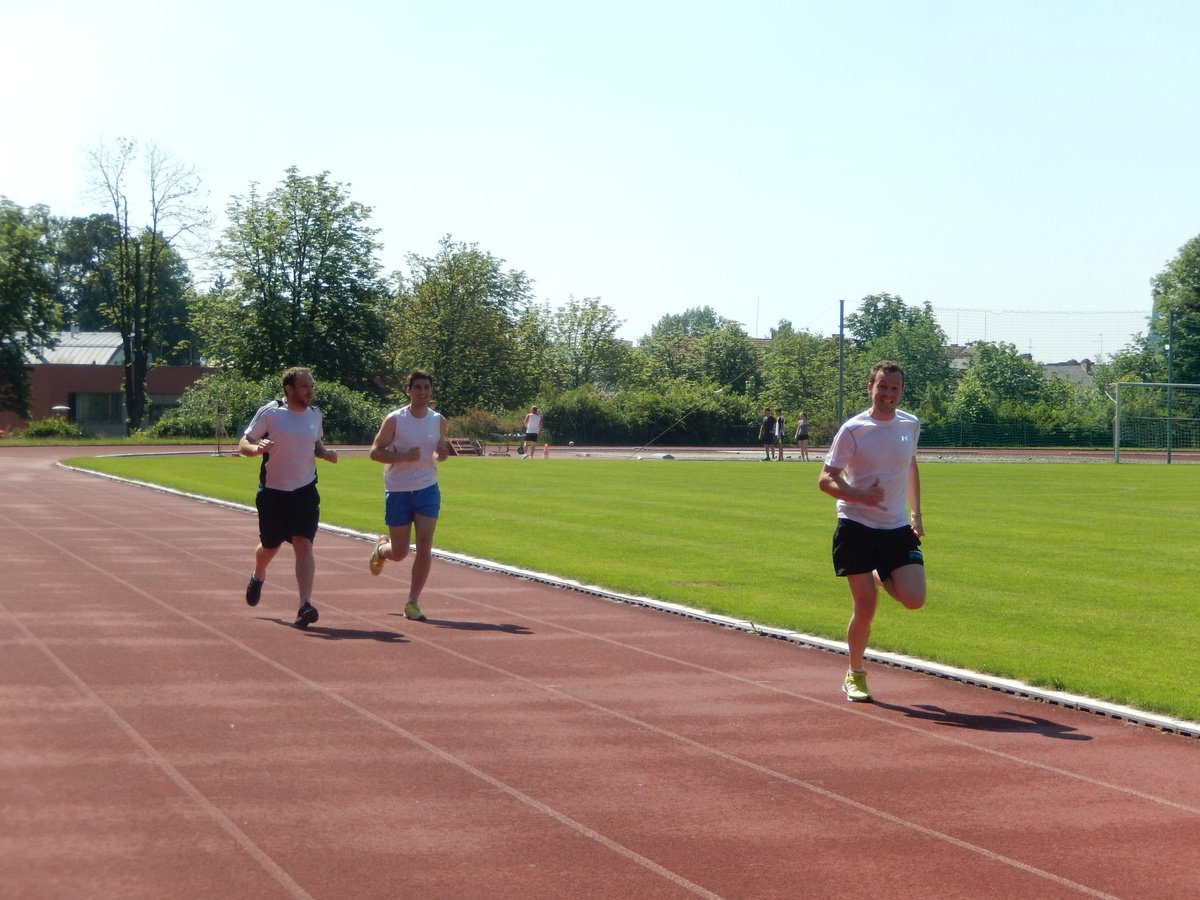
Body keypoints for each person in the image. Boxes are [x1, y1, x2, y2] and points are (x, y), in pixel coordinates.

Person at [817, 361, 925, 702]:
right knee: (865, 607)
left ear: (901, 392)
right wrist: (859, 495)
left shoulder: (910, 424)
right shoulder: (853, 430)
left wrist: (917, 514)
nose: (887, 394)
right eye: (882, 387)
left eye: (894, 388)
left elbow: (910, 466)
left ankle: (877, 574)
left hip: (896, 526)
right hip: (857, 525)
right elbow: (825, 479)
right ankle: (856, 673)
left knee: (914, 599)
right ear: (870, 388)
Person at [240, 366, 338, 629]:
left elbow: (315, 444)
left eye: (312, 386)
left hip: (305, 491)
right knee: (270, 546)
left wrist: (325, 453)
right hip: (273, 492)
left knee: (303, 543)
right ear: (289, 388)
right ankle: (258, 575)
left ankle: (304, 605)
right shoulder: (271, 412)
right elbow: (244, 443)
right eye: (305, 386)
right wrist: (256, 448)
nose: (310, 391)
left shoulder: (315, 415)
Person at [367, 369, 450, 621]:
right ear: (409, 390)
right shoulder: (395, 419)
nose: (422, 392)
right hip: (398, 489)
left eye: (426, 387)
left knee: (425, 545)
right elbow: (375, 452)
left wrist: (442, 454)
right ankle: (382, 550)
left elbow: (439, 453)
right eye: (417, 387)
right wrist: (403, 456)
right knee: (400, 552)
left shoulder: (439, 421)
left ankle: (412, 602)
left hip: (427, 488)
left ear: (431, 390)